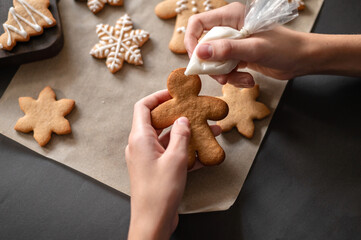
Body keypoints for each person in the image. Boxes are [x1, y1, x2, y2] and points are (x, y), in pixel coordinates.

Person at [126, 2, 361, 239]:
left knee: (208, 152)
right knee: (203, 152)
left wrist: (152, 220)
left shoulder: (176, 107)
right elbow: (214, 107)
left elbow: (216, 107)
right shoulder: (172, 107)